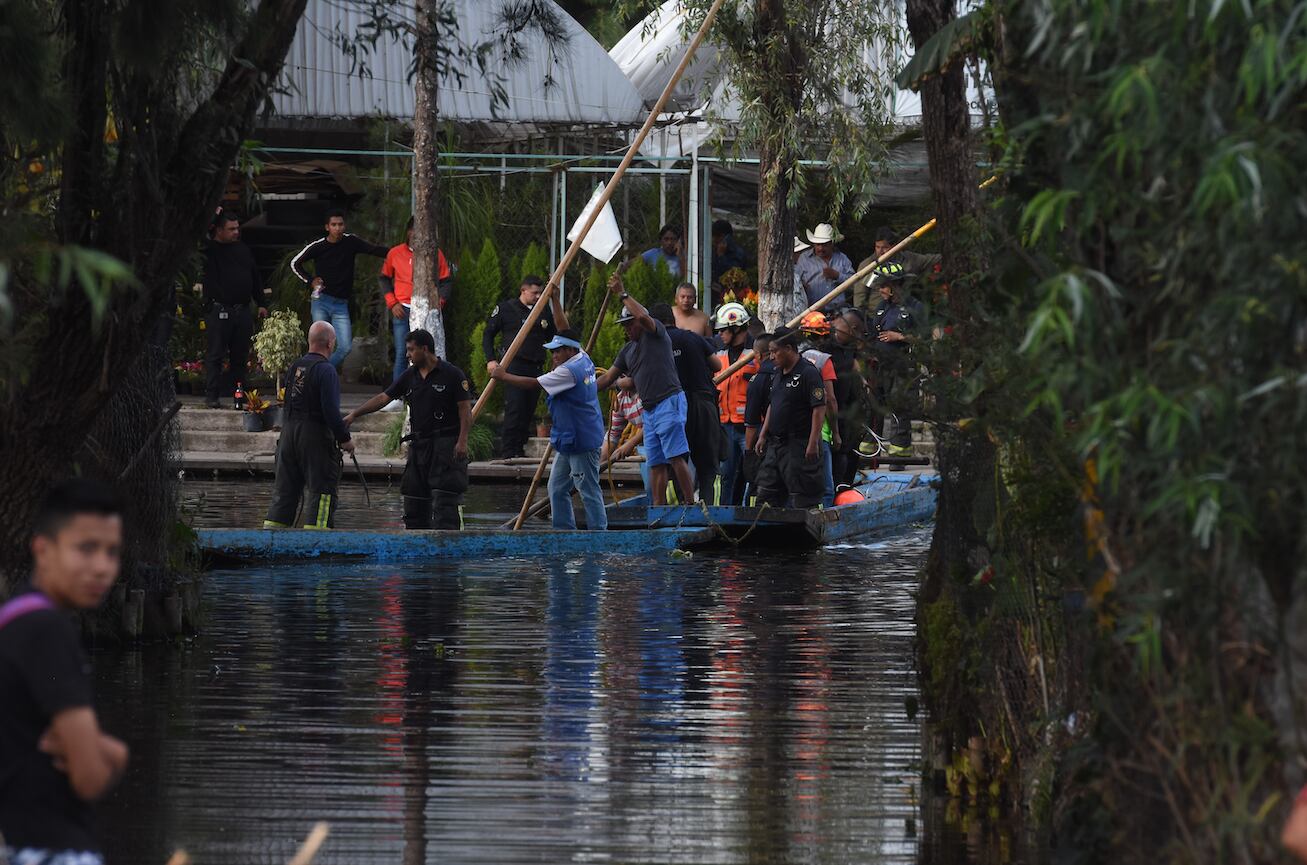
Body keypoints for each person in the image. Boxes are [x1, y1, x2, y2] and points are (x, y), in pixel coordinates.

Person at [0, 480, 129, 865]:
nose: (102, 568)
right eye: (86, 549)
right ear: (43, 549)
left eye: (112, 552)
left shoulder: (12, 622)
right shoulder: (47, 630)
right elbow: (89, 777)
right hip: (51, 849)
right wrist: (116, 753)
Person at [345, 329, 470, 530]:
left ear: (425, 349)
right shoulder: (409, 376)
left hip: (446, 444)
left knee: (446, 498)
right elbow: (383, 398)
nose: (407, 355)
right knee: (413, 497)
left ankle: (450, 542)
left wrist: (462, 440)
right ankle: (417, 540)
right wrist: (355, 414)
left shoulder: (452, 374)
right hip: (419, 445)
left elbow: (465, 409)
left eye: (411, 350)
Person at [491, 328, 608, 531]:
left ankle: (600, 534)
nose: (553, 356)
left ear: (570, 351)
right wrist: (554, 300)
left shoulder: (568, 371)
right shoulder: (583, 357)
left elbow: (533, 384)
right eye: (552, 351)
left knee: (588, 489)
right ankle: (563, 532)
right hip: (568, 438)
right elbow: (566, 327)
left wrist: (504, 376)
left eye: (558, 351)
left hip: (581, 439)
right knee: (556, 487)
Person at [595, 274, 697, 506]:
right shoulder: (627, 350)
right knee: (656, 463)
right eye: (625, 326)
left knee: (676, 457)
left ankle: (690, 505)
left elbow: (642, 314)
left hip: (669, 401)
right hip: (649, 410)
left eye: (630, 324)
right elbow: (609, 377)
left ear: (639, 322)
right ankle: (657, 509)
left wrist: (622, 293)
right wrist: (583, 389)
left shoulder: (656, 334)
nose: (627, 329)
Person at [263, 321, 355, 529]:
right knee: (321, 492)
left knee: (284, 491)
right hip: (314, 437)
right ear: (331, 344)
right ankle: (317, 542)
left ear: (309, 341)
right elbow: (330, 411)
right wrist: (345, 439)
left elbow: (286, 402)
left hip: (288, 435)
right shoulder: (327, 371)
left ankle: (271, 540)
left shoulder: (295, 367)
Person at [290, 208, 389, 369]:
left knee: (344, 347)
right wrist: (310, 280)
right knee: (319, 346)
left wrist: (399, 252)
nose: (337, 228)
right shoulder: (318, 246)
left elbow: (374, 250)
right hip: (321, 301)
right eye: (334, 225)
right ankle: (318, 375)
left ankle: (318, 372)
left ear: (344, 225)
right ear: (327, 227)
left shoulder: (351, 242)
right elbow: (295, 263)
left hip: (341, 305)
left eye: (340, 224)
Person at [482, 276, 564, 459]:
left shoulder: (542, 310)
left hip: (535, 366)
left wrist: (556, 359)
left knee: (528, 409)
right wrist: (490, 360)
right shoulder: (506, 309)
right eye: (534, 293)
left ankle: (519, 449)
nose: (537, 296)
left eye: (540, 293)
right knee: (515, 408)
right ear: (523, 290)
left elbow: (552, 336)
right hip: (514, 365)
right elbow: (488, 334)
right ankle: (509, 452)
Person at [650, 302, 722, 504]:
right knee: (708, 464)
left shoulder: (652, 344)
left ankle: (678, 510)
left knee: (675, 461)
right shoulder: (692, 337)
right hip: (703, 403)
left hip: (672, 406)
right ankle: (712, 511)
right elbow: (716, 365)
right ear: (672, 320)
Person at [379, 217, 454, 407]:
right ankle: (396, 397)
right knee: (402, 353)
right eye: (414, 230)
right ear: (408, 231)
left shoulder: (435, 253)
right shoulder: (395, 253)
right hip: (402, 309)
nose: (416, 235)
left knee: (427, 353)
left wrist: (440, 301)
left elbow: (446, 280)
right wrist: (392, 302)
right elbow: (384, 278)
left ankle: (428, 394)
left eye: (421, 231)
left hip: (426, 310)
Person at [201, 211, 269, 408]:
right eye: (231, 229)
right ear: (219, 230)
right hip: (220, 309)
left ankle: (239, 396)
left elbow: (254, 276)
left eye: (237, 228)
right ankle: (212, 395)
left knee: (240, 357)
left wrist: (261, 302)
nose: (236, 232)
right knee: (215, 354)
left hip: (242, 310)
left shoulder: (242, 249)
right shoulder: (209, 250)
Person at [754, 326, 827, 509]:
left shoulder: (808, 373)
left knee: (802, 496)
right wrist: (763, 435)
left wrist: (812, 443)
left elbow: (819, 409)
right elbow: (773, 404)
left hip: (798, 444)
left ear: (788, 348)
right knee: (765, 492)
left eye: (774, 352)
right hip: (775, 445)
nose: (771, 357)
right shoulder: (778, 373)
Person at [871, 265, 926, 457]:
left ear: (895, 285)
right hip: (881, 366)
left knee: (900, 404)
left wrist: (900, 337)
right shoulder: (882, 307)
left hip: (904, 366)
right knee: (875, 402)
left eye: (884, 286)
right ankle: (871, 448)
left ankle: (900, 450)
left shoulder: (915, 307)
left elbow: (925, 337)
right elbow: (872, 332)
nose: (880, 290)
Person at [713, 302, 756, 505]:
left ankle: (750, 513)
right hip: (725, 425)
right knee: (727, 475)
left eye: (723, 330)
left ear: (736, 328)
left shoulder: (755, 354)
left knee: (752, 474)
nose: (720, 335)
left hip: (749, 426)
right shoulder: (719, 354)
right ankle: (725, 513)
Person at [798, 312, 841, 507]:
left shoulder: (792, 356)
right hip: (820, 433)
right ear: (822, 336)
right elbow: (831, 399)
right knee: (826, 486)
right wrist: (836, 432)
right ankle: (827, 523)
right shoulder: (824, 360)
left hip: (795, 432)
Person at [853, 226, 942, 310]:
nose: (880, 251)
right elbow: (860, 295)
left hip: (906, 312)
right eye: (877, 247)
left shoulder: (909, 259)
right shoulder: (868, 266)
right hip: (877, 316)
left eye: (885, 247)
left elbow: (935, 259)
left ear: (894, 246)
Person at [827, 311, 868, 488]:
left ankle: (845, 488)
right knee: (838, 455)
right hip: (829, 411)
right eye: (858, 334)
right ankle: (836, 489)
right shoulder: (826, 343)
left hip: (849, 409)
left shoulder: (848, 346)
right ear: (852, 328)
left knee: (850, 452)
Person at [601, 375, 649, 492]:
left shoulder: (647, 391)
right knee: (651, 487)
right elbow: (613, 435)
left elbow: (652, 422)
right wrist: (600, 462)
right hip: (648, 445)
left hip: (667, 437)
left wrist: (630, 444)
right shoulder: (620, 400)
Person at [741, 333, 775, 502]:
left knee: (759, 487)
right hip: (798, 441)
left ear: (760, 355)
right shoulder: (792, 372)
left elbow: (752, 423)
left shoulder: (758, 381)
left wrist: (749, 452)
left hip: (769, 441)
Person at [794, 223, 854, 306]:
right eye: (818, 245)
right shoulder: (804, 259)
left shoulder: (842, 259)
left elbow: (855, 283)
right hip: (812, 311)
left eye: (824, 245)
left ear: (831, 243)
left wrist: (837, 276)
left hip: (839, 310)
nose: (820, 248)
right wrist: (802, 286)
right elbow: (795, 281)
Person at [710, 219, 747, 285]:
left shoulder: (738, 253)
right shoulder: (713, 251)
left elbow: (733, 274)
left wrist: (721, 256)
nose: (715, 240)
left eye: (718, 236)